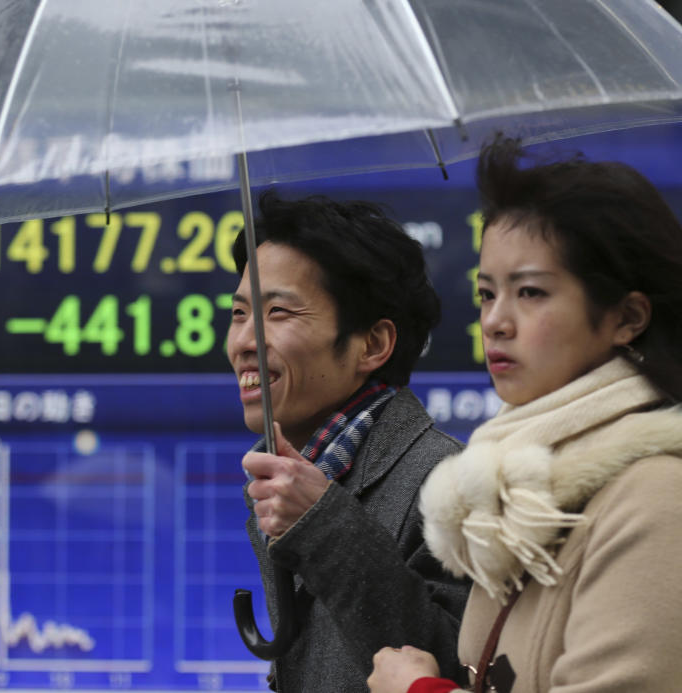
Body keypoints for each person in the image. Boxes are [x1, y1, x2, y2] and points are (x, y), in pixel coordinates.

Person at [368, 136, 682, 693]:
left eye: (531, 292)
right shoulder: (521, 482)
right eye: (487, 294)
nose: (495, 322)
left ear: (627, 316)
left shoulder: (657, 496)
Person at [227, 191, 470, 691]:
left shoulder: (451, 483)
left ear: (373, 345)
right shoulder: (294, 474)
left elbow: (450, 667)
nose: (244, 342)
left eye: (278, 313)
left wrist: (324, 525)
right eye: (238, 314)